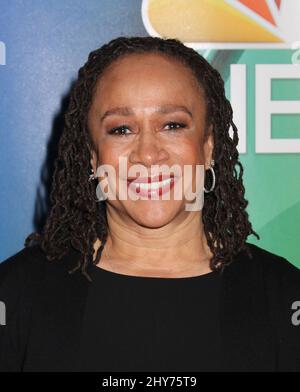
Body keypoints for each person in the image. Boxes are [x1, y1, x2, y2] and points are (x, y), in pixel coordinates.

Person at [0, 36, 299, 372]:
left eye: (172, 125)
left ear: (209, 146)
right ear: (92, 155)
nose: (147, 154)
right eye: (121, 129)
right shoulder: (18, 293)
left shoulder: (282, 295)